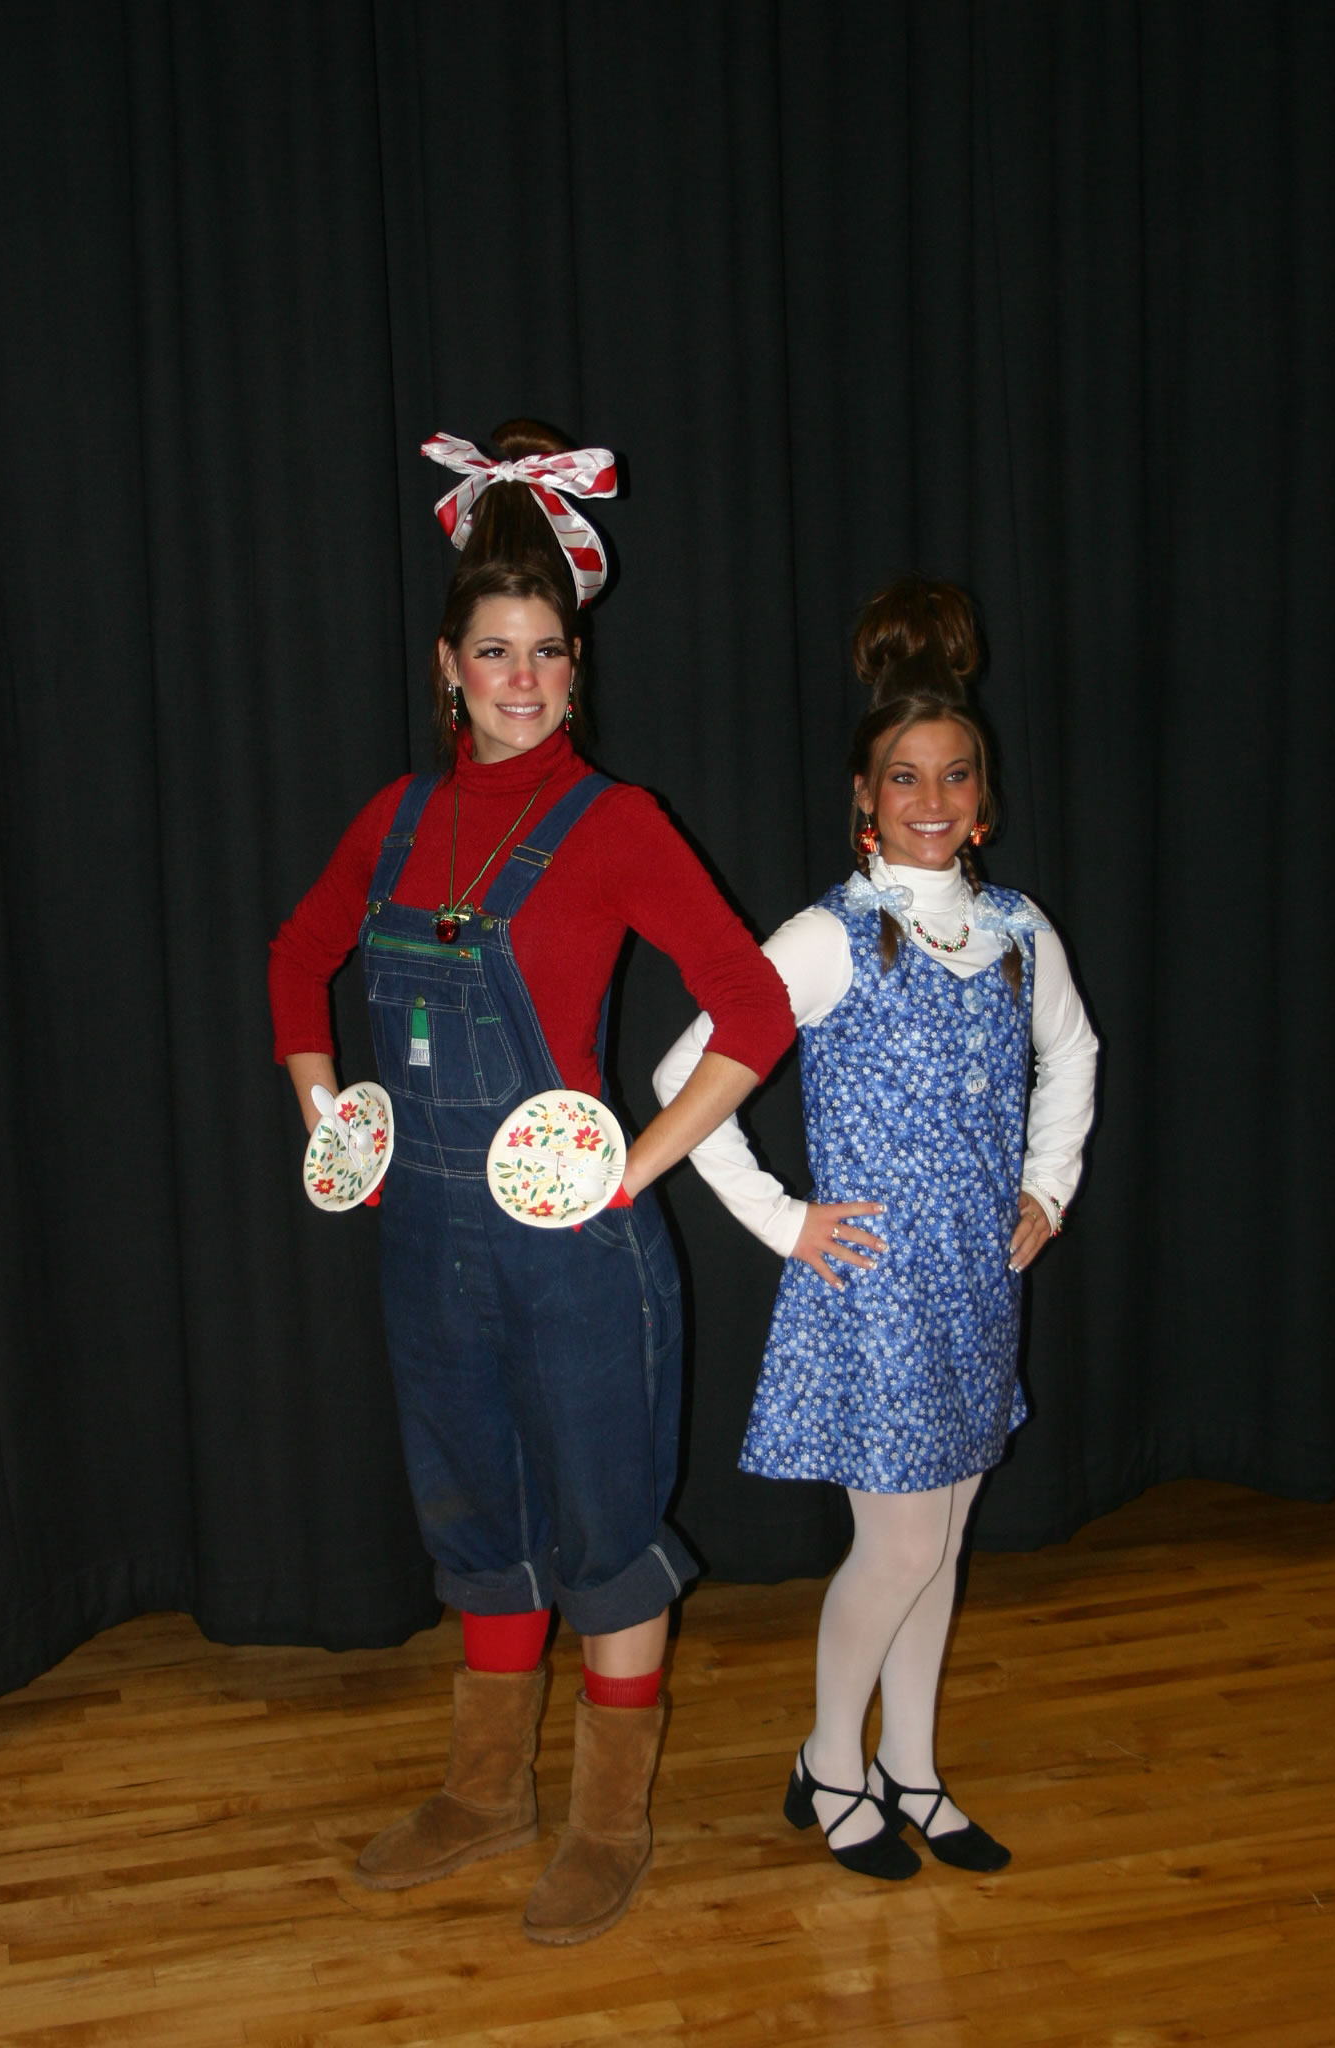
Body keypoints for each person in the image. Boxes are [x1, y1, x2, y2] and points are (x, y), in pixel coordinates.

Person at [268, 420, 794, 1942]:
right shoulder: (397, 819)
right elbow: (298, 961)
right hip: (424, 1236)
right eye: (493, 651)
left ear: (577, 669)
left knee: (605, 1532)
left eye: (546, 653)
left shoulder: (615, 825)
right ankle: (485, 1791)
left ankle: (607, 1821)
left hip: (574, 1257)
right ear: (449, 666)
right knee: (471, 1517)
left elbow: (754, 1009)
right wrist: (332, 1120)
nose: (521, 679)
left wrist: (636, 1165)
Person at [654, 576, 1097, 1881]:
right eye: (905, 777)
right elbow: (687, 1074)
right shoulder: (828, 938)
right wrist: (784, 1219)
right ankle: (830, 1763)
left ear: (983, 792)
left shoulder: (1016, 932)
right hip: (875, 1290)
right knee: (898, 1541)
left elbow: (1073, 1055)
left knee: (944, 1539)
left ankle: (912, 1764)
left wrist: (1048, 1186)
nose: (931, 799)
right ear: (865, 794)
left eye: (954, 775)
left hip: (978, 1284)